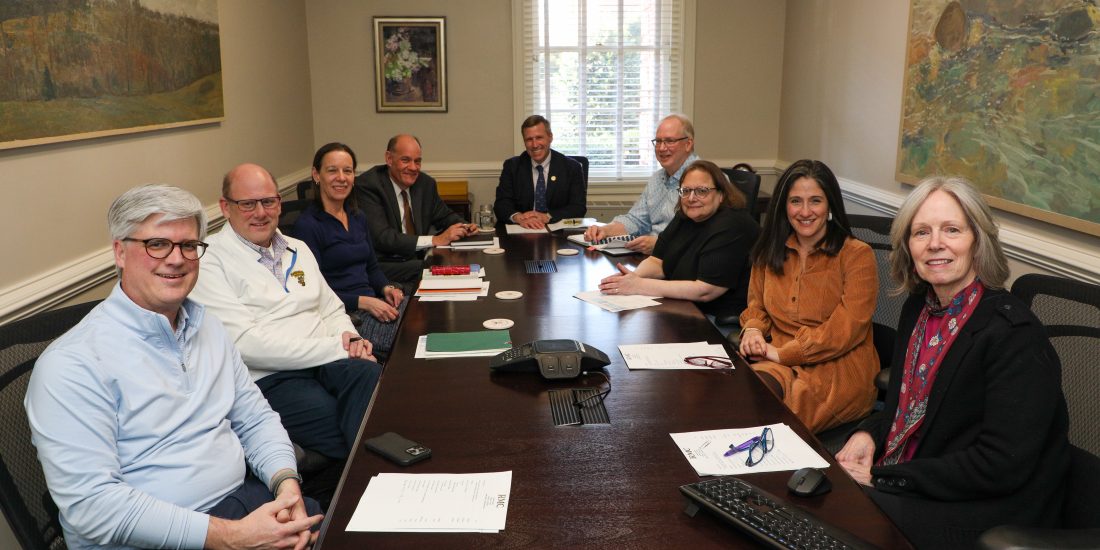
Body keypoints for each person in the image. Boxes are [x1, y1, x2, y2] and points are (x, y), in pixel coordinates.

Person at [26, 184, 322, 549]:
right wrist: (233, 538)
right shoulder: (70, 364)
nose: (177, 259)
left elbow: (255, 419)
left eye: (188, 245)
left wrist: (286, 486)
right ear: (120, 252)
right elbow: (94, 507)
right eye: (157, 244)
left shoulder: (208, 326)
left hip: (242, 503)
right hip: (156, 539)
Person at [836, 176, 1069, 549]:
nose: (935, 243)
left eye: (952, 230)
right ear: (908, 246)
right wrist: (869, 433)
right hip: (921, 477)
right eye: (921, 232)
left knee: (842, 515)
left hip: (986, 511)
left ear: (978, 240)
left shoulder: (1014, 334)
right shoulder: (919, 307)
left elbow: (999, 465)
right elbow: (911, 406)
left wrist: (882, 478)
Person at [189, 163, 381, 466]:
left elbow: (331, 309)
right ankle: (373, 473)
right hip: (272, 377)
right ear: (225, 207)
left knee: (375, 379)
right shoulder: (209, 259)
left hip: (328, 361)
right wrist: (337, 347)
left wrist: (352, 339)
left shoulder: (298, 248)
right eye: (247, 204)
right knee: (351, 424)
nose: (260, 212)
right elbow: (246, 345)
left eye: (268, 201)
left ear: (279, 203)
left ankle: (371, 471)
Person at [738, 159, 878, 433]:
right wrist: (753, 330)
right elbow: (757, 304)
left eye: (815, 201)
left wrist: (784, 354)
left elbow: (847, 328)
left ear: (830, 205)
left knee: (765, 420)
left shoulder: (857, 255)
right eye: (795, 201)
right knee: (737, 397)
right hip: (776, 356)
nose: (805, 211)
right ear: (784, 206)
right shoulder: (769, 249)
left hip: (836, 368)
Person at [597, 160, 758, 320]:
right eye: (685, 191)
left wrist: (639, 285)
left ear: (721, 195)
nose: (691, 198)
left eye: (702, 191)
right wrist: (632, 278)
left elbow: (705, 291)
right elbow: (657, 261)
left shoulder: (733, 225)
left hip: (717, 318)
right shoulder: (685, 215)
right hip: (683, 305)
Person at [293, 143, 407, 360]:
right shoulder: (307, 226)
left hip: (374, 304)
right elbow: (314, 293)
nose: (341, 178)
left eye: (347, 171)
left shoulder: (358, 216)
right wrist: (364, 302)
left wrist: (386, 287)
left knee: (424, 314)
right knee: (409, 339)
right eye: (332, 170)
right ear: (316, 175)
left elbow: (371, 267)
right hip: (345, 317)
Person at [355, 134, 479, 284]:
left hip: (417, 259)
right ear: (389, 159)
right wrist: (435, 240)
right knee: (438, 270)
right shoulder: (369, 185)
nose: (413, 168)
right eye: (405, 160)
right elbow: (383, 237)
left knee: (460, 267)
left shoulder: (425, 184)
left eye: (417, 161)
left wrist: (464, 226)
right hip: (384, 264)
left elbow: (444, 215)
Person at [583, 114, 698, 255]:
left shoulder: (704, 180)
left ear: (688, 144)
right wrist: (606, 230)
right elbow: (636, 220)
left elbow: (702, 234)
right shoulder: (657, 178)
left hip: (682, 259)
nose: (662, 148)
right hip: (651, 256)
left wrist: (660, 244)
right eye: (658, 141)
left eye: (669, 141)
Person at [494, 115, 587, 229]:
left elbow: (578, 208)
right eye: (529, 139)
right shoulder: (512, 166)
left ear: (550, 137)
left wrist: (547, 216)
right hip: (522, 229)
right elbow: (501, 204)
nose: (534, 145)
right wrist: (518, 217)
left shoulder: (571, 167)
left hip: (558, 231)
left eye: (539, 137)